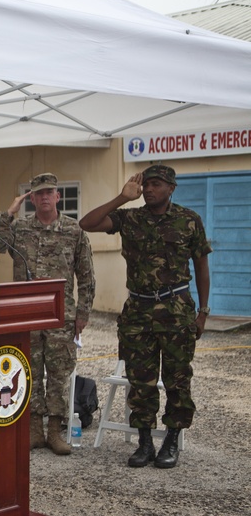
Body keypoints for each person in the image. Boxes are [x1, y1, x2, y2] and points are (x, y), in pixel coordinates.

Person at [80, 165, 211, 469]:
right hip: (138, 311)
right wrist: (121, 198)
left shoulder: (189, 220)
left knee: (177, 378)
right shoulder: (130, 218)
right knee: (140, 380)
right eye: (146, 185)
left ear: (171, 188)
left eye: (156, 184)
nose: (149, 190)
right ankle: (144, 442)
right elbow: (87, 223)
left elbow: (202, 266)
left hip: (176, 309)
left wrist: (203, 312)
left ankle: (171, 440)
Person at [0, 173, 95, 455]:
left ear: (58, 196)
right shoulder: (20, 228)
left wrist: (82, 313)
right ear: (32, 199)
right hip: (26, 312)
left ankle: (54, 431)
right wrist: (8, 214)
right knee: (29, 370)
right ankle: (34, 430)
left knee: (60, 372)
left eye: (50, 192)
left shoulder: (74, 230)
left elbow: (86, 275)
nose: (45, 197)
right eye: (39, 193)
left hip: (61, 314)